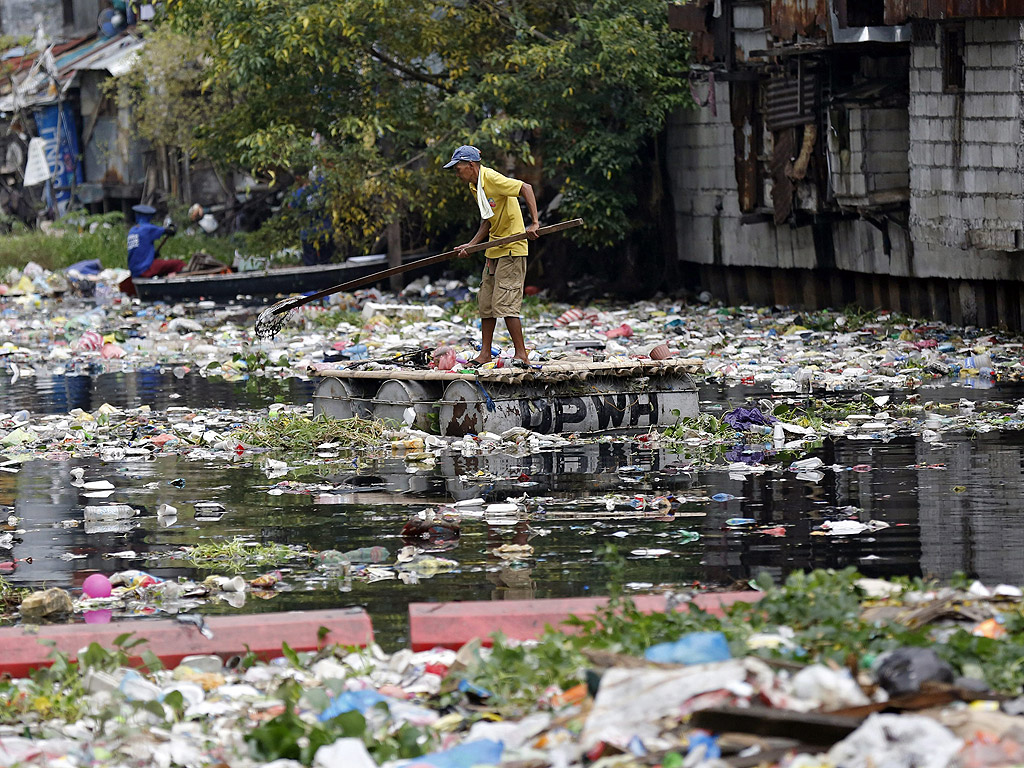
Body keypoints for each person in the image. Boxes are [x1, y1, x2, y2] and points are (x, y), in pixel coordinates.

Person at [445, 145, 539, 366]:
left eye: (458, 169)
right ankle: (485, 353)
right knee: (486, 303)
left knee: (506, 304)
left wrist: (534, 223)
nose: (457, 173)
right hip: (494, 249)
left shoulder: (492, 178)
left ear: (471, 165)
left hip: (511, 247)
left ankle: (521, 354)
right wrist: (472, 244)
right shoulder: (474, 186)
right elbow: (488, 219)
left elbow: (526, 187)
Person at [127, 204, 184, 278]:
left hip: (134, 269)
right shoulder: (148, 228)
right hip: (145, 268)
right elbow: (167, 231)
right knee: (178, 264)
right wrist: (171, 230)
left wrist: (153, 254)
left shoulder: (132, 230)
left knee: (161, 264)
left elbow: (139, 248)